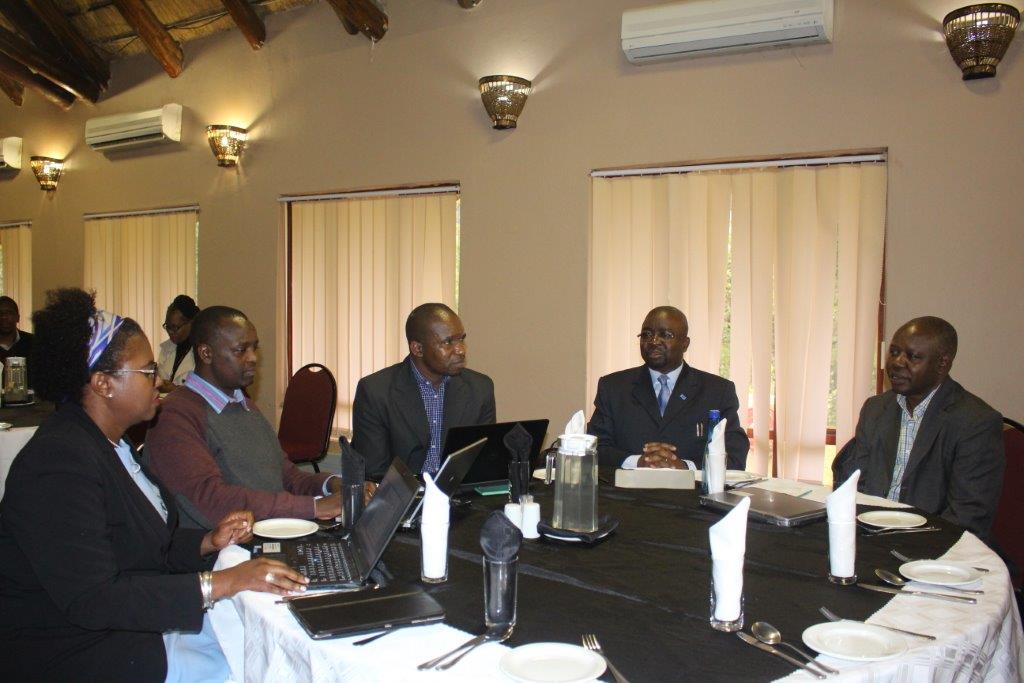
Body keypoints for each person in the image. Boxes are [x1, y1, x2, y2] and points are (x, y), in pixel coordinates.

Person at [0, 288, 308, 682]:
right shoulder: (58, 464)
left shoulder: (112, 445)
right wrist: (221, 582)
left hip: (136, 629)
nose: (159, 381)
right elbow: (94, 598)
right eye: (147, 372)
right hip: (85, 653)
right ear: (103, 384)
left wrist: (206, 541)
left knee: (268, 648)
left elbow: (134, 542)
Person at [145, 306, 344, 529]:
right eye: (241, 350)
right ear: (206, 353)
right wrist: (314, 507)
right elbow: (212, 501)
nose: (253, 358)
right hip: (221, 554)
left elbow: (287, 476)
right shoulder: (174, 416)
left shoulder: (243, 404)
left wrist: (332, 485)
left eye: (254, 348)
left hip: (270, 533)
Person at [832, 316, 1004, 539]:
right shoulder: (875, 409)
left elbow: (967, 516)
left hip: (936, 548)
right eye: (894, 353)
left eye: (912, 357)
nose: (897, 363)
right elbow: (856, 485)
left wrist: (906, 545)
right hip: (870, 538)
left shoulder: (976, 422)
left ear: (942, 364)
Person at [588, 306, 749, 470]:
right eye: (647, 334)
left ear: (685, 344)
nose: (654, 341)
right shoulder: (613, 387)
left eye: (665, 335)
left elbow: (735, 456)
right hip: (626, 494)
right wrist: (637, 462)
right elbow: (595, 447)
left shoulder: (717, 391)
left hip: (692, 494)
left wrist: (685, 467)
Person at [352, 303, 496, 480]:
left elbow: (485, 461)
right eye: (448, 342)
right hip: (403, 498)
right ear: (418, 349)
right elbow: (374, 472)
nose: (460, 350)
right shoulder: (376, 391)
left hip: (461, 496)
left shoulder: (480, 388)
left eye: (461, 339)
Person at [157, 294, 199, 392]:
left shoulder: (201, 352)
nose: (170, 332)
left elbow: (206, 392)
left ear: (191, 323)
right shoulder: (166, 348)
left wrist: (175, 389)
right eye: (167, 326)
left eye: (175, 327)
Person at [0, 295, 33, 376]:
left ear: (18, 318)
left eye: (9, 313)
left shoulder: (34, 343)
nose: (4, 317)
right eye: (0, 313)